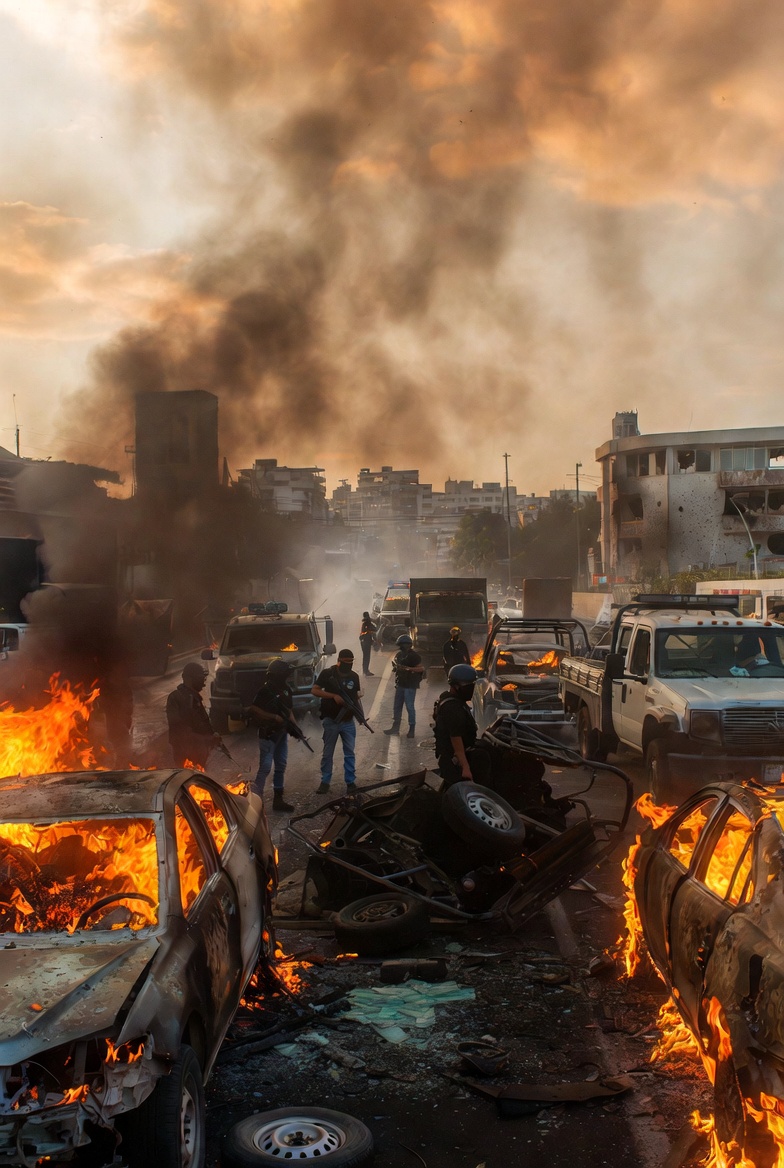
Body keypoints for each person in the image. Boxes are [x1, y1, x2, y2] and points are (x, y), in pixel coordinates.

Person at [246, 658, 297, 812]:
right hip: (268, 734)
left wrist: (294, 726)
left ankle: (278, 800)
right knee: (266, 767)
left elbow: (288, 710)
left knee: (281, 765)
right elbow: (254, 709)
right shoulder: (265, 691)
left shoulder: (287, 689)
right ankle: (255, 801)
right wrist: (273, 717)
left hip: (281, 733)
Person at [312, 649, 363, 794]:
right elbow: (315, 690)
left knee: (349, 753)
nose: (349, 665)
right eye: (347, 662)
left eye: (351, 662)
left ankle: (350, 782)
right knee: (328, 753)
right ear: (339, 661)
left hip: (347, 722)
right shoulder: (328, 674)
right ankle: (325, 781)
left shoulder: (354, 676)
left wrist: (360, 717)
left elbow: (354, 699)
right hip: (331, 721)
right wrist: (333, 696)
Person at [433, 663, 491, 788]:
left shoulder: (452, 699)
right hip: (455, 762)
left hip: (456, 756)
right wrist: (465, 768)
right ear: (455, 686)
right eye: (467, 686)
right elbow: (456, 741)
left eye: (472, 685)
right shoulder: (453, 708)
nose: (471, 689)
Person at [166, 663, 222, 768]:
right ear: (189, 678)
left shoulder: (195, 698)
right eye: (200, 678)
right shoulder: (176, 698)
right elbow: (179, 730)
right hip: (184, 751)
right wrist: (205, 739)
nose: (203, 683)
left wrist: (212, 736)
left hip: (198, 751)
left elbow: (203, 723)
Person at [384, 634, 424, 738]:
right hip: (400, 684)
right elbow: (396, 666)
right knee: (397, 707)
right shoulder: (399, 655)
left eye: (403, 645)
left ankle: (412, 729)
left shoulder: (414, 656)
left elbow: (421, 669)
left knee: (409, 707)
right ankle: (395, 728)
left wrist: (408, 669)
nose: (401, 647)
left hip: (410, 685)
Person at [359, 611, 378, 677]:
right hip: (365, 641)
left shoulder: (366, 622)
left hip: (365, 641)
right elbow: (374, 629)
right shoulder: (366, 623)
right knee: (366, 657)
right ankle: (365, 671)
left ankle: (365, 670)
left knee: (366, 656)